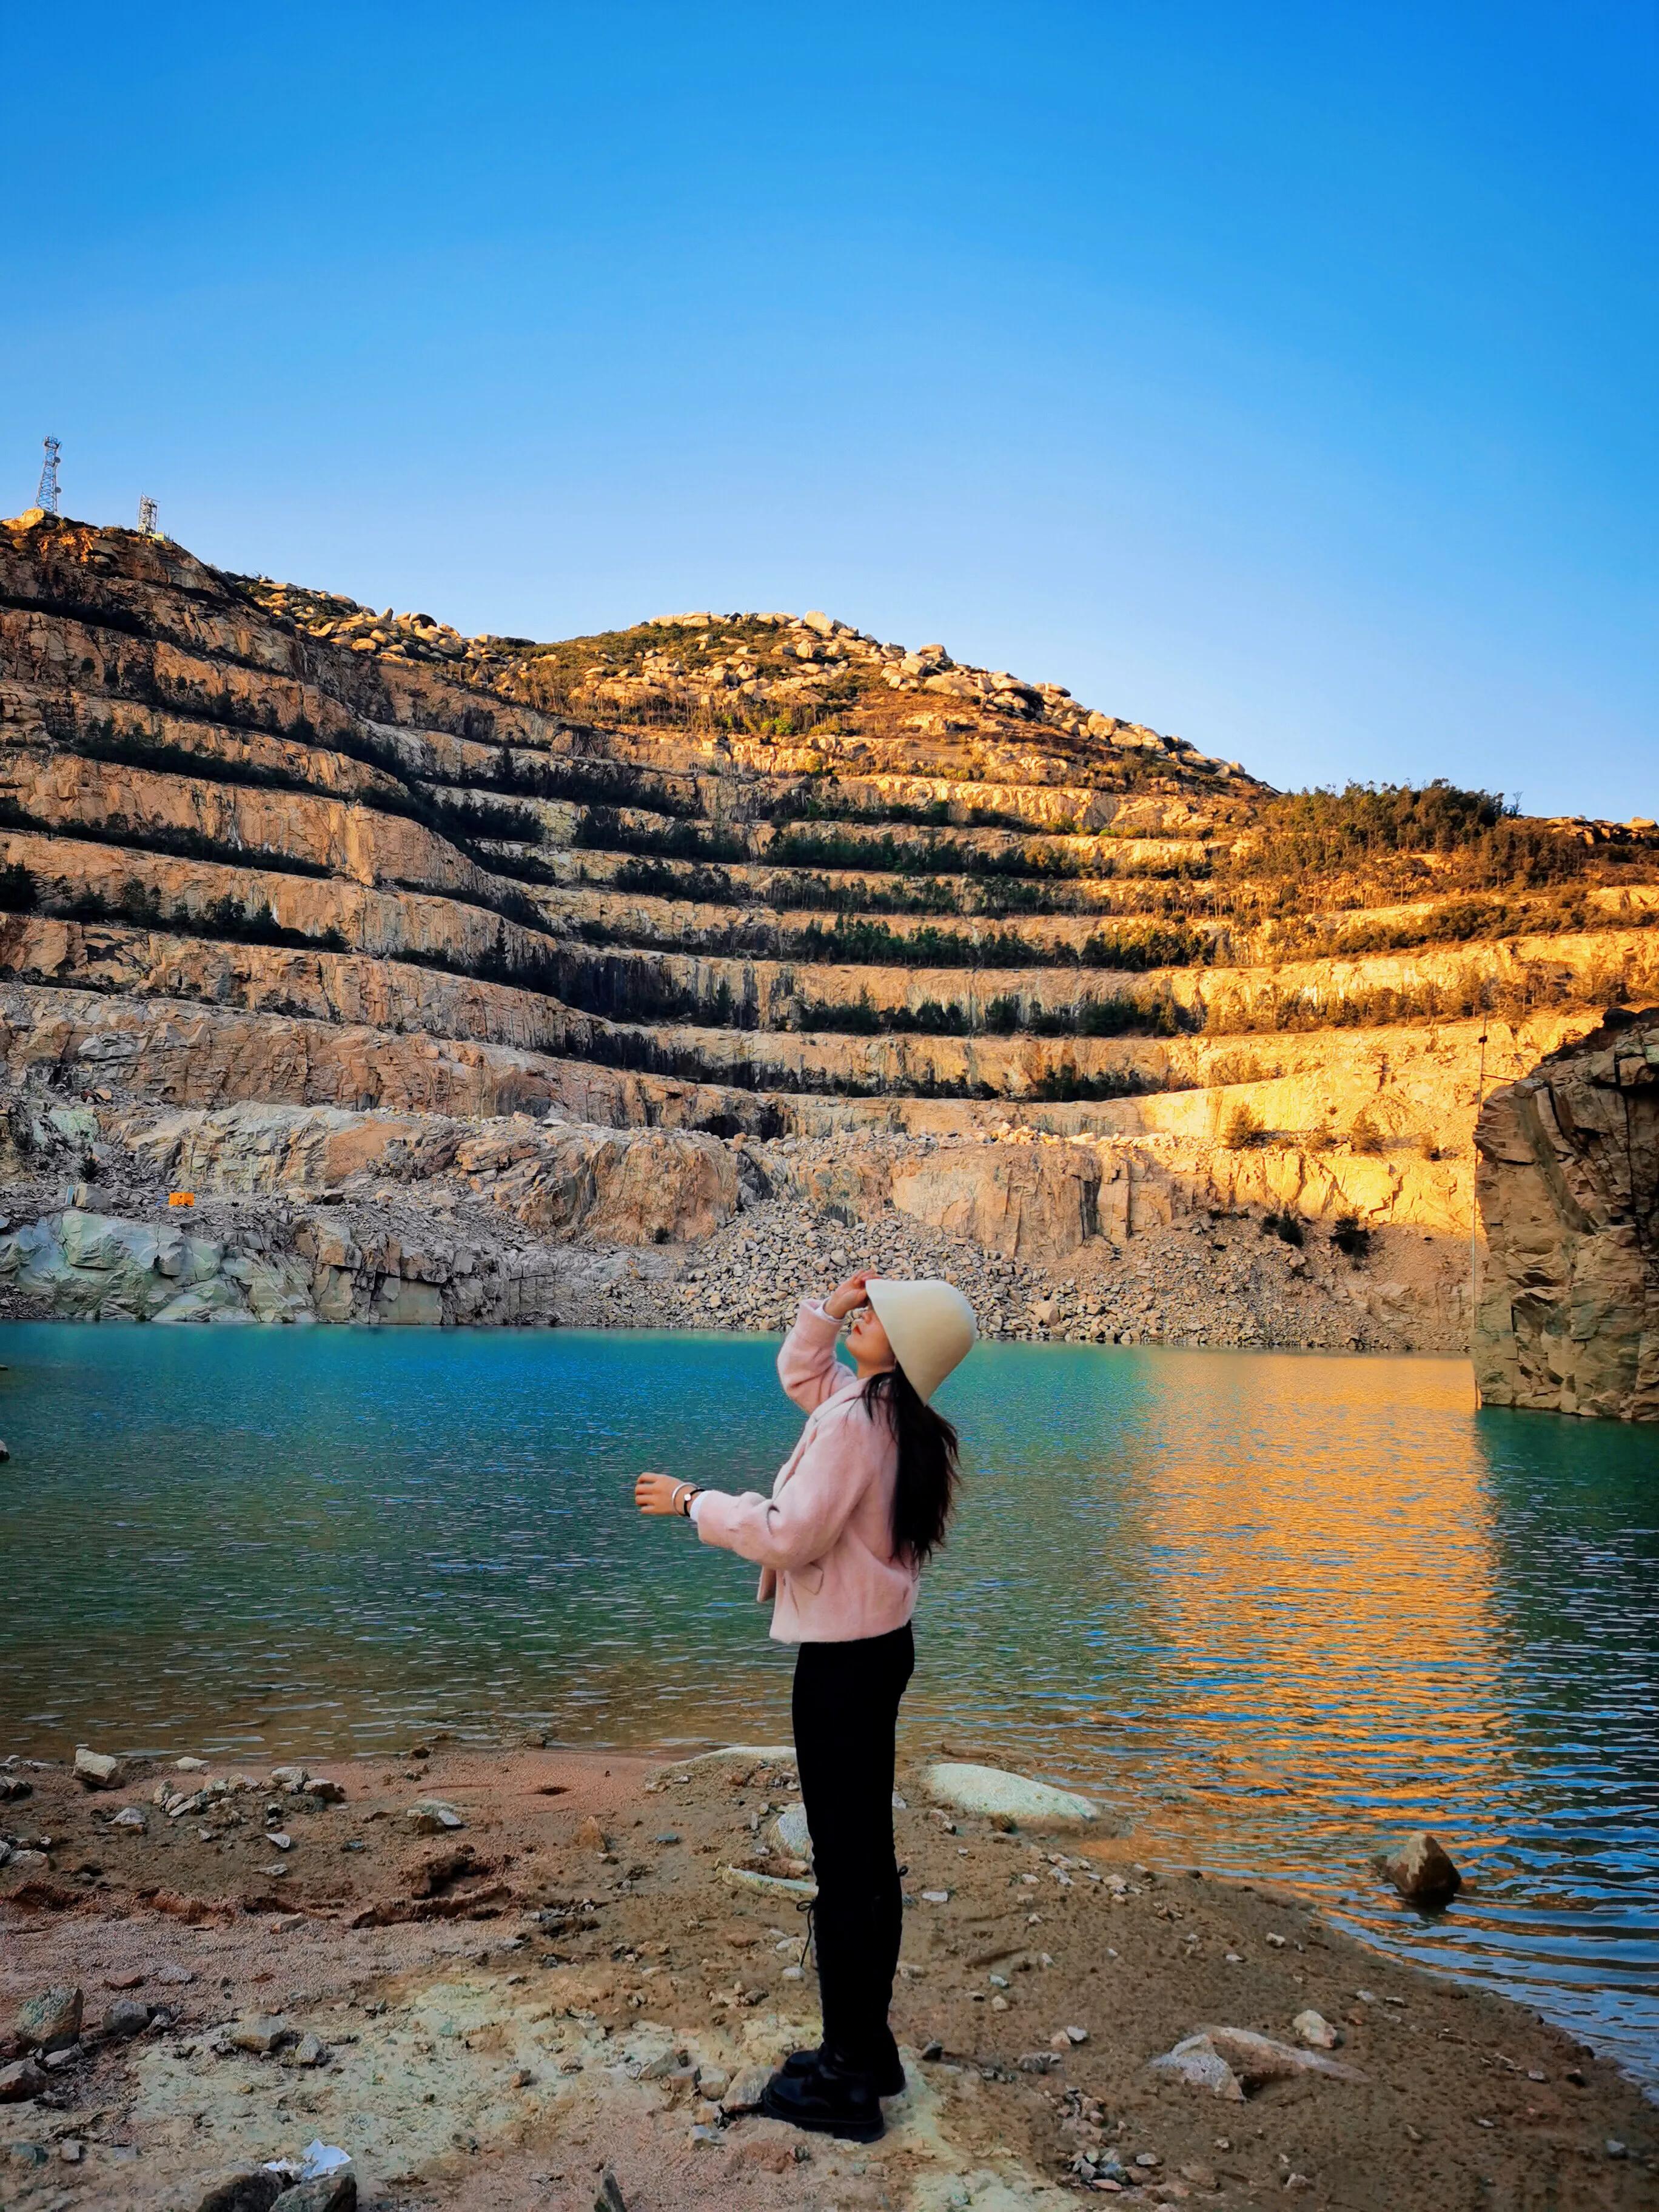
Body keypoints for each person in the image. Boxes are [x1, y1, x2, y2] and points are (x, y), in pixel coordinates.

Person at [634, 1267, 977, 2142]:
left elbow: (787, 1533)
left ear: (900, 1345)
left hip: (842, 1665)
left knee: (846, 1863)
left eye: (875, 1314)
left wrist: (691, 1502)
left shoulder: (862, 1426)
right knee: (867, 1853)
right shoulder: (894, 1417)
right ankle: (867, 2048)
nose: (863, 1313)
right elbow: (802, 1378)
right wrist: (825, 1310)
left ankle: (848, 2077)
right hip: (878, 1650)